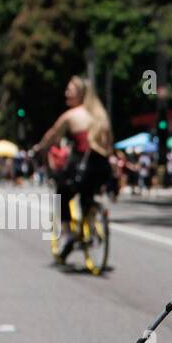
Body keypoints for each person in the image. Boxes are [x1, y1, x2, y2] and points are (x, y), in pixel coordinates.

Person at [32, 76, 115, 260]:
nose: (66, 92)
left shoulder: (71, 115)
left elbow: (52, 136)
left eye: (70, 89)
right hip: (101, 166)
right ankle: (92, 228)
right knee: (87, 197)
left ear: (80, 93)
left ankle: (68, 235)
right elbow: (109, 144)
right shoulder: (101, 114)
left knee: (62, 194)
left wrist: (40, 148)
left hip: (81, 166)